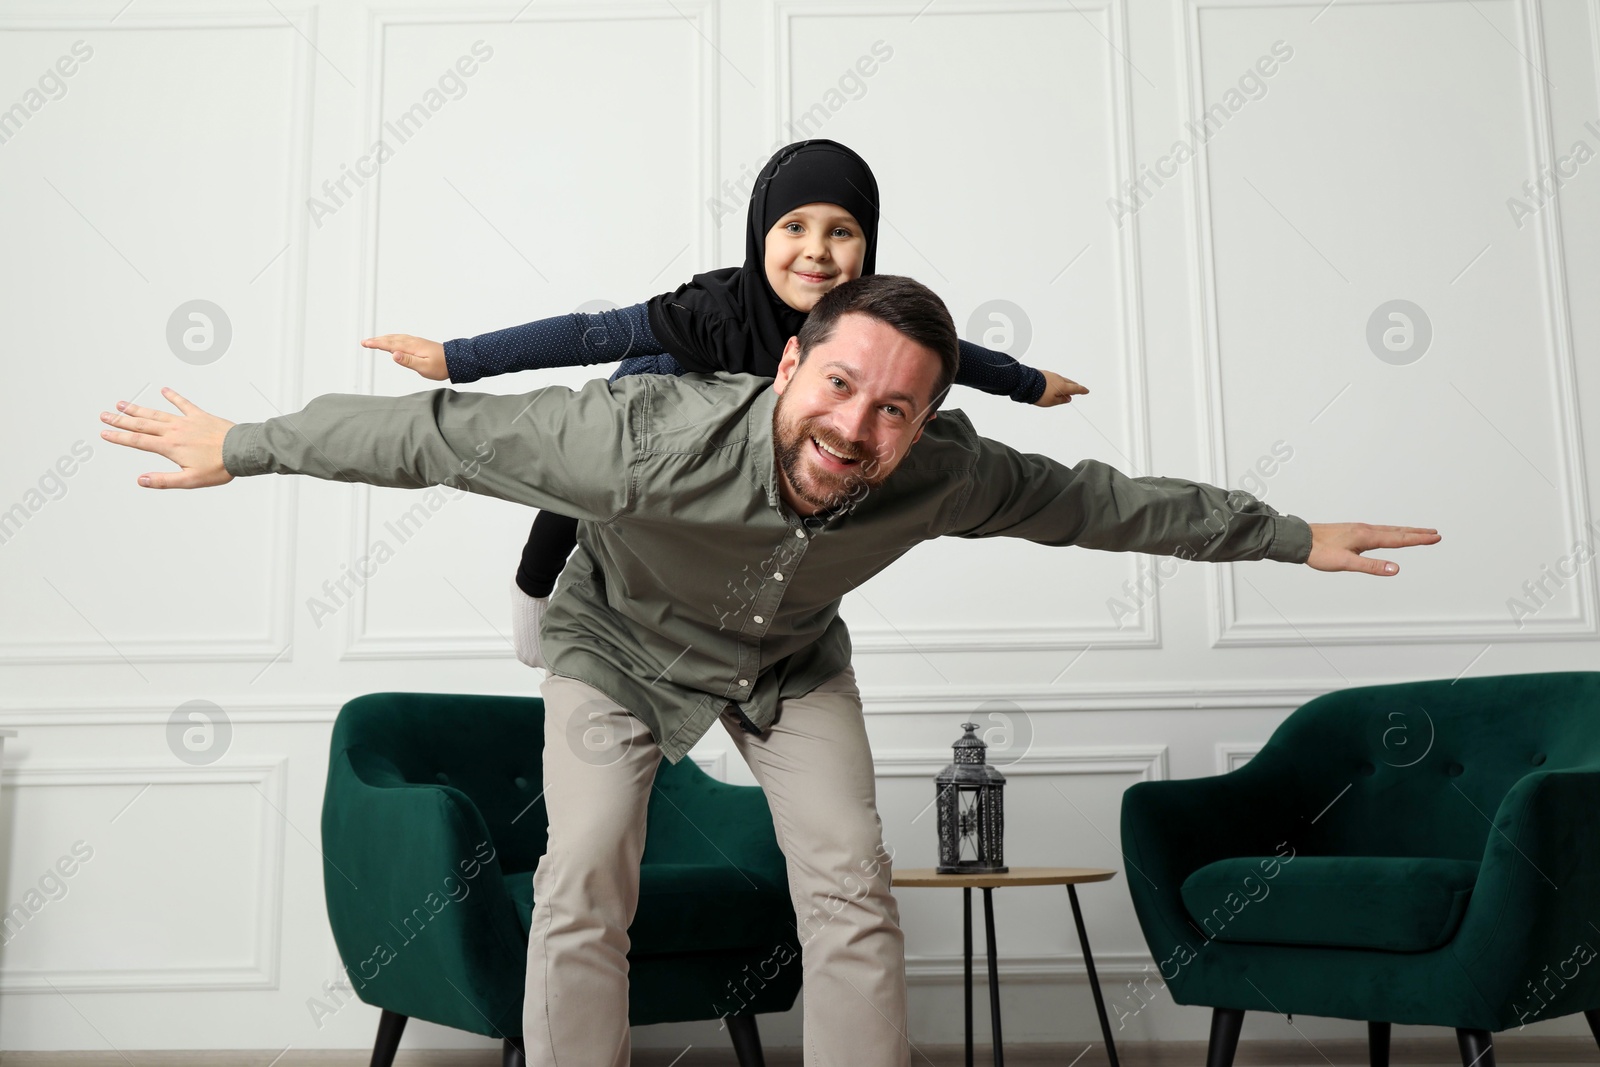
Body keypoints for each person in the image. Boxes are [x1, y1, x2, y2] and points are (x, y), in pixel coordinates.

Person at [97, 273, 1440, 1066]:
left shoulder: (948, 473)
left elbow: (1104, 500)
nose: (857, 425)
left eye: (896, 407)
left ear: (924, 423)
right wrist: (246, 438)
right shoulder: (637, 436)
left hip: (786, 664)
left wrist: (1292, 535)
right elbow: (436, 433)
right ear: (788, 360)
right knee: (588, 871)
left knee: (851, 876)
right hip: (614, 650)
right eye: (840, 383)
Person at [359, 139, 1088, 670]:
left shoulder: (867, 322)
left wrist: (1028, 382)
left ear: (868, 244)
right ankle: (532, 584)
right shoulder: (710, 309)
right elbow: (589, 333)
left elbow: (947, 357)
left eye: (842, 232)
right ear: (761, 233)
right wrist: (457, 358)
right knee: (581, 469)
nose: (818, 252)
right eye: (794, 228)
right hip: (664, 388)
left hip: (744, 450)